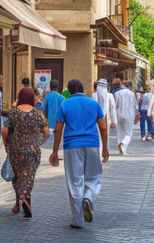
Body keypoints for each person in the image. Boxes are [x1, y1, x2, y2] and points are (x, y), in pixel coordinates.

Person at [50, 79, 109, 229]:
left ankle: (78, 221)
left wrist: (55, 151)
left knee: (74, 182)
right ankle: (88, 197)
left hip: (71, 146)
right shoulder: (94, 104)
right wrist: (105, 148)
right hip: (92, 144)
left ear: (69, 91)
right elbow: (103, 127)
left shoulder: (65, 104)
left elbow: (57, 129)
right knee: (94, 177)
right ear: (83, 88)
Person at [2, 87, 49, 218]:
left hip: (15, 150)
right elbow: (46, 132)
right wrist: (38, 143)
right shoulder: (38, 113)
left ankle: (19, 202)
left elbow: (4, 131)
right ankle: (25, 200)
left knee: (17, 176)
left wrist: (7, 145)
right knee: (28, 177)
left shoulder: (13, 113)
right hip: (33, 151)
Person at [111, 78, 138, 155]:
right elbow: (135, 105)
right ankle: (123, 143)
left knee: (120, 131)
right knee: (128, 132)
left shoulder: (116, 94)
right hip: (130, 114)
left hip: (119, 114)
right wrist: (137, 115)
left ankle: (122, 148)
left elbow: (114, 106)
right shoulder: (131, 93)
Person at [41, 79, 64, 145]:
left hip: (49, 126)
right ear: (58, 86)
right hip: (60, 126)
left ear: (50, 86)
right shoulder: (62, 98)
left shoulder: (47, 96)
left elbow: (43, 110)